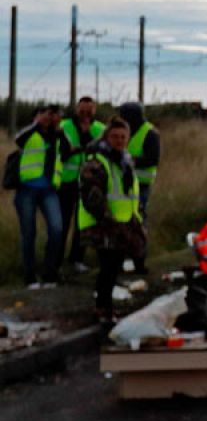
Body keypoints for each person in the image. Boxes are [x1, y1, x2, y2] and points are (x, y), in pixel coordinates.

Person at [76, 117, 143, 324]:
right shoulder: (97, 161)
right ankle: (102, 309)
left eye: (123, 137)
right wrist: (108, 221)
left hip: (121, 223)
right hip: (101, 225)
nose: (119, 140)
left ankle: (106, 308)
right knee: (108, 268)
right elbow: (92, 198)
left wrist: (135, 220)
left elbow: (128, 194)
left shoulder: (124, 161)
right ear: (107, 137)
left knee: (114, 268)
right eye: (115, 136)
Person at [12, 105, 65, 288]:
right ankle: (30, 277)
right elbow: (18, 139)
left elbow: (66, 150)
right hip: (27, 188)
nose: (48, 118)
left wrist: (59, 128)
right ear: (36, 116)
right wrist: (37, 124)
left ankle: (50, 273)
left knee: (57, 229)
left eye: (51, 115)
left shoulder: (57, 135)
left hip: (49, 189)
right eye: (45, 114)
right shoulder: (29, 133)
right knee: (29, 233)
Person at [60, 95, 105, 273]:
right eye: (82, 110)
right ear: (76, 109)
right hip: (66, 180)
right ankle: (57, 260)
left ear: (94, 110)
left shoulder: (101, 129)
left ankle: (77, 259)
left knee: (82, 223)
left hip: (89, 182)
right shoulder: (65, 126)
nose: (85, 114)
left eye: (89, 110)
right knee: (62, 223)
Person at [118, 101, 160, 225]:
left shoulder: (150, 133)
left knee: (138, 217)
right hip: (121, 182)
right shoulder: (123, 131)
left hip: (141, 183)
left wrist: (128, 160)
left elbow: (153, 159)